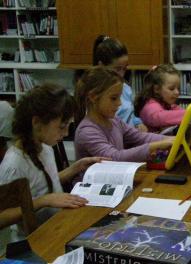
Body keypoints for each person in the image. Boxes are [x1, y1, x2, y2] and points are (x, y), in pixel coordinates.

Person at [0, 84, 102, 238]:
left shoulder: (45, 148)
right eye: (62, 127)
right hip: (34, 239)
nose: (66, 133)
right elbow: (2, 217)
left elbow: (43, 183)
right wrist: (42, 201)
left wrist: (75, 168)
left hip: (56, 225)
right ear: (36, 123)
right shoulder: (14, 164)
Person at [74, 66, 174, 168]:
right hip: (94, 183)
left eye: (119, 97)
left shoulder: (114, 121)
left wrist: (170, 139)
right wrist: (154, 147)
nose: (119, 103)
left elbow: (139, 137)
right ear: (93, 97)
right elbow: (114, 158)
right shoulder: (87, 131)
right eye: (114, 98)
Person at [93, 35, 147, 132]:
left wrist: (138, 123)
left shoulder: (126, 88)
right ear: (101, 66)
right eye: (117, 69)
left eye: (125, 68)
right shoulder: (97, 94)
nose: (121, 74)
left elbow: (130, 113)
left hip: (129, 137)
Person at [134, 64, 186, 132]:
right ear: (157, 89)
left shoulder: (166, 103)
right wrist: (190, 114)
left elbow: (177, 109)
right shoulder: (149, 106)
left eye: (178, 88)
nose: (177, 92)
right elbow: (159, 117)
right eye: (171, 88)